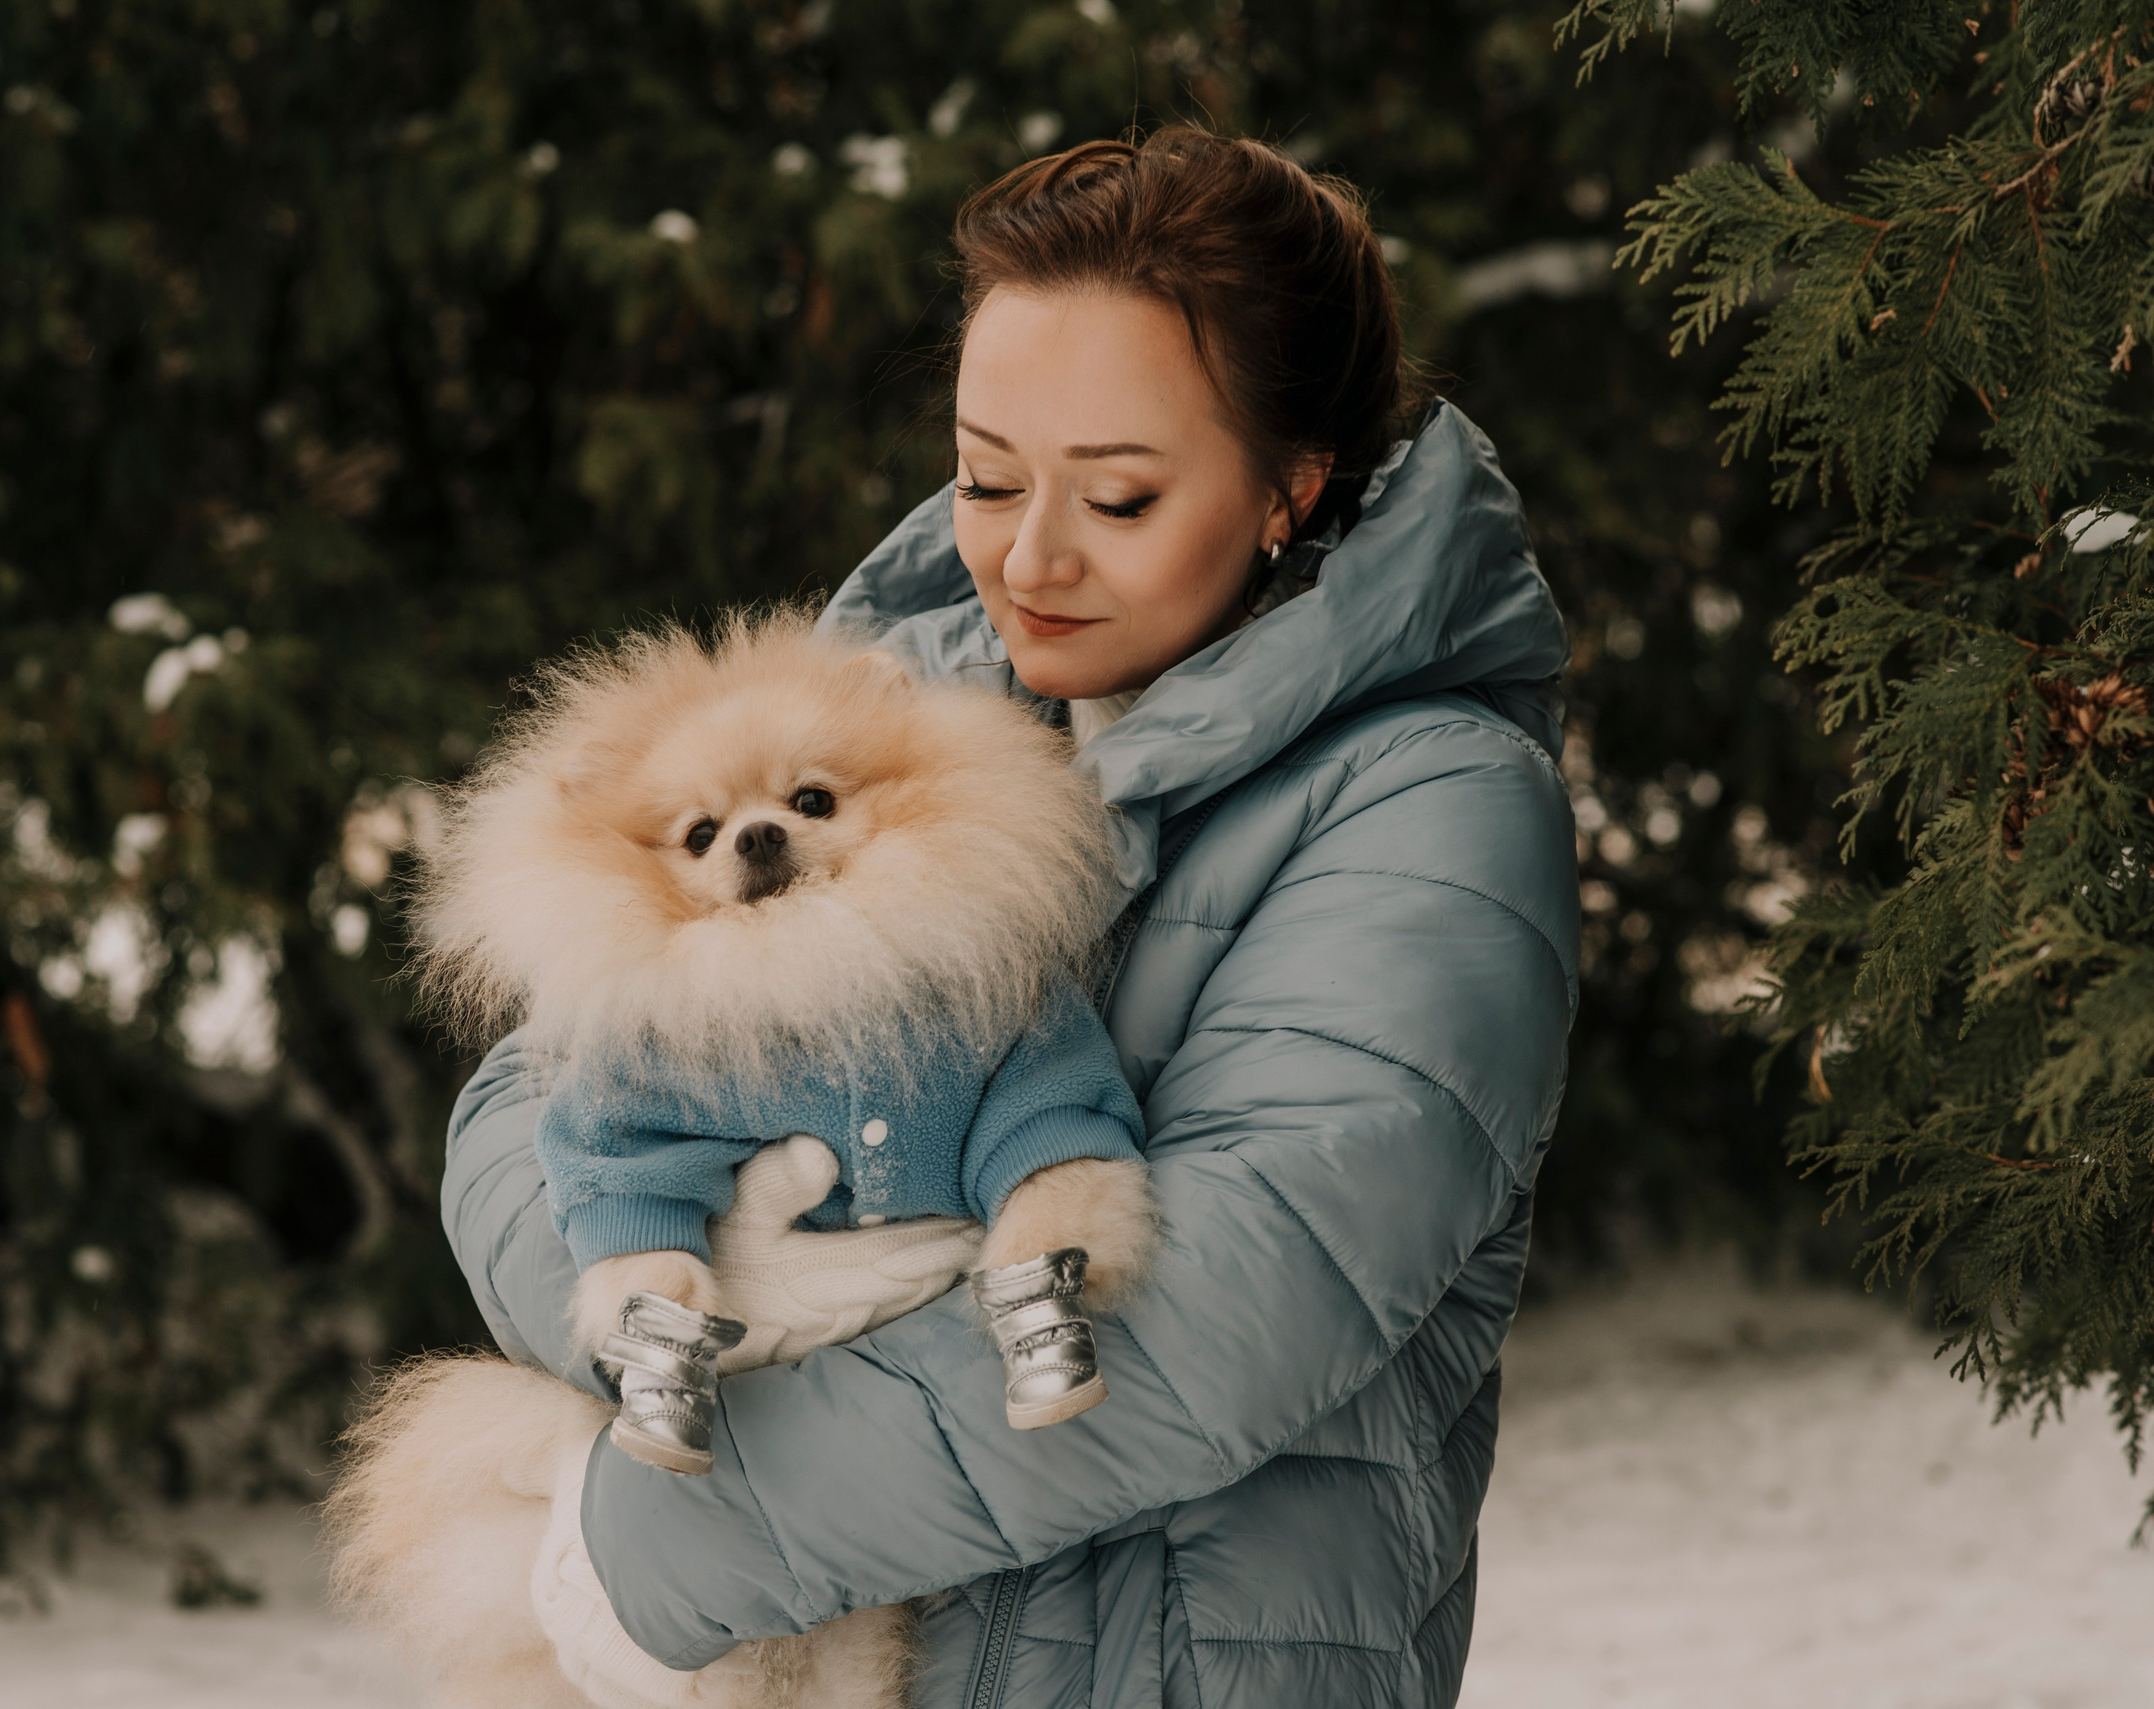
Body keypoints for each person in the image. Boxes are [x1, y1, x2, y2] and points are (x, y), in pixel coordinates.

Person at [441, 126, 1577, 1709]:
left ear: (1286, 489)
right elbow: (532, 1097)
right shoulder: (916, 698)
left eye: (1116, 496)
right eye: (986, 475)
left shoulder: (1425, 810)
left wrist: (662, 1546)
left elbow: (1207, 1335)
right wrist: (687, 1300)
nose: (1026, 557)